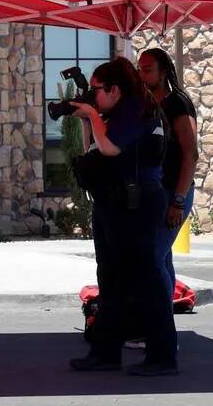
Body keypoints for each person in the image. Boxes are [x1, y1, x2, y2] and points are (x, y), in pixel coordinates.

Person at [69, 57, 178, 376]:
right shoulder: (117, 112)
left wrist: (91, 114)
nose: (93, 95)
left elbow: (111, 148)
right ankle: (105, 351)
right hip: (113, 202)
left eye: (97, 90)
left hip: (136, 203)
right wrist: (89, 119)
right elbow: (94, 149)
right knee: (111, 280)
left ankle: (162, 356)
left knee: (145, 279)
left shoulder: (136, 109)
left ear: (115, 89)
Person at [139, 47, 199, 290]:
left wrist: (178, 201)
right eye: (139, 69)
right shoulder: (147, 103)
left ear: (162, 73)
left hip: (172, 192)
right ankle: (163, 317)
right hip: (153, 192)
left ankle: (160, 320)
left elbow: (191, 153)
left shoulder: (177, 103)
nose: (141, 75)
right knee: (161, 256)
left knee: (152, 258)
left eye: (147, 70)